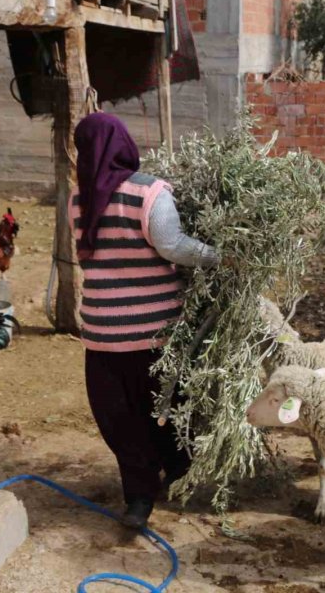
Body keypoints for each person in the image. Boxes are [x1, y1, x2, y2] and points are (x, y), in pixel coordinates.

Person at [69, 113, 218, 529]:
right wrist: (221, 256)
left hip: (102, 337)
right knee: (167, 407)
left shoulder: (76, 201)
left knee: (119, 418)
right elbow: (172, 246)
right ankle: (177, 474)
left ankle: (138, 497)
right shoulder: (149, 191)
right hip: (155, 334)